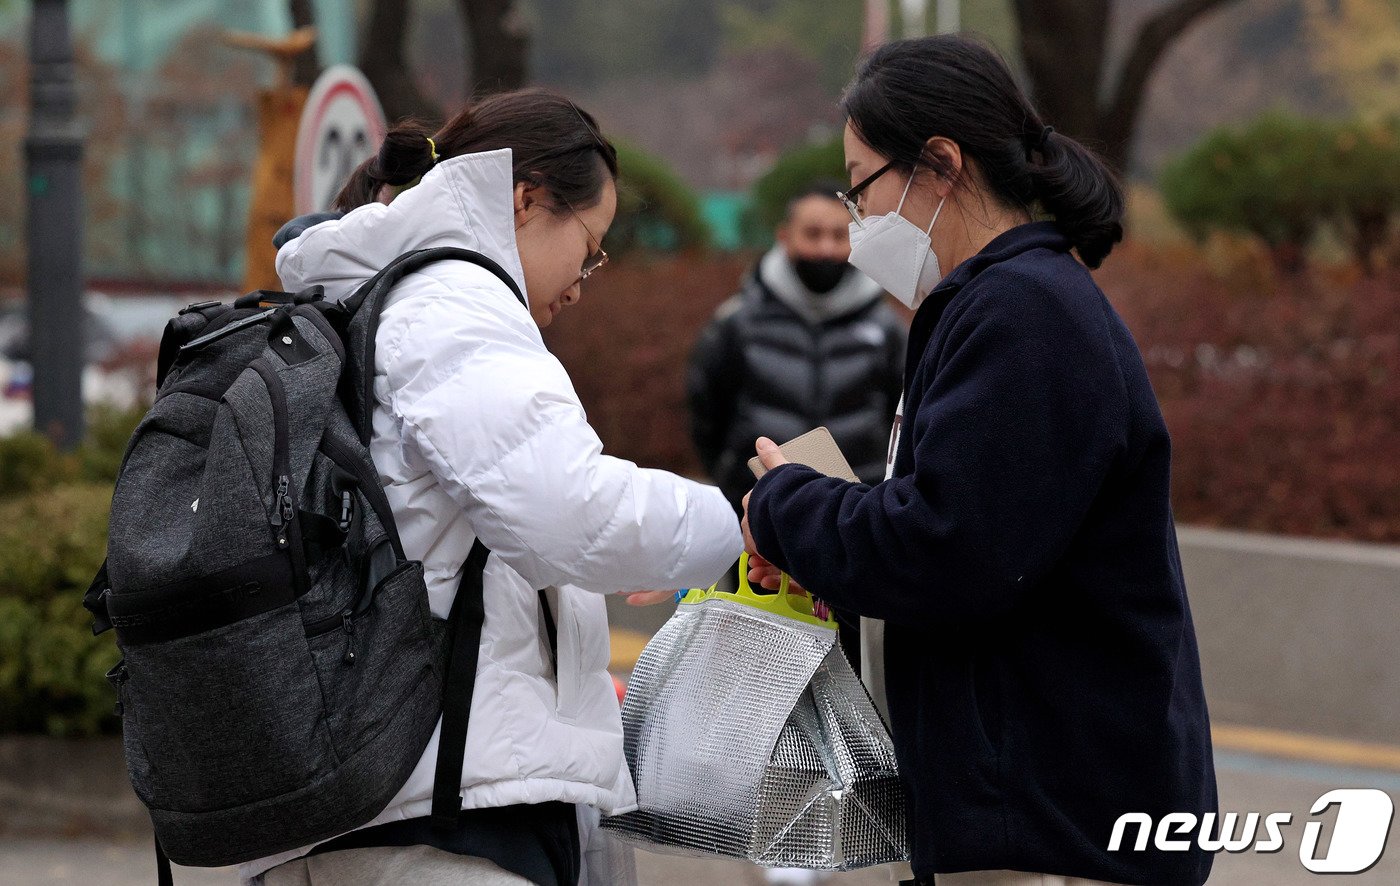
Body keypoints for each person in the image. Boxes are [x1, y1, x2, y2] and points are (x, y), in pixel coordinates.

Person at [741, 36, 1217, 886]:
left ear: (939, 167)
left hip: (1053, 824)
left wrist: (791, 505)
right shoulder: (1003, 304)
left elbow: (948, 547)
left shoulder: (1023, 312)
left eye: (861, 187)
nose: (855, 223)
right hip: (1036, 811)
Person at [245, 88, 743, 885]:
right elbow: (569, 514)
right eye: (592, 245)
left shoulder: (366, 300)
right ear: (526, 200)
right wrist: (745, 521)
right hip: (443, 821)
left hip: (381, 799)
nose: (584, 281)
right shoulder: (453, 302)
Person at [686, 184, 905, 676]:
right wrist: (734, 484)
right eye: (812, 234)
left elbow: (903, 421)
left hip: (853, 532)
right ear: (785, 237)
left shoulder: (888, 330)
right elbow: (706, 409)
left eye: (837, 235)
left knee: (851, 681)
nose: (826, 248)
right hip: (754, 535)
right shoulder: (737, 323)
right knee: (746, 680)